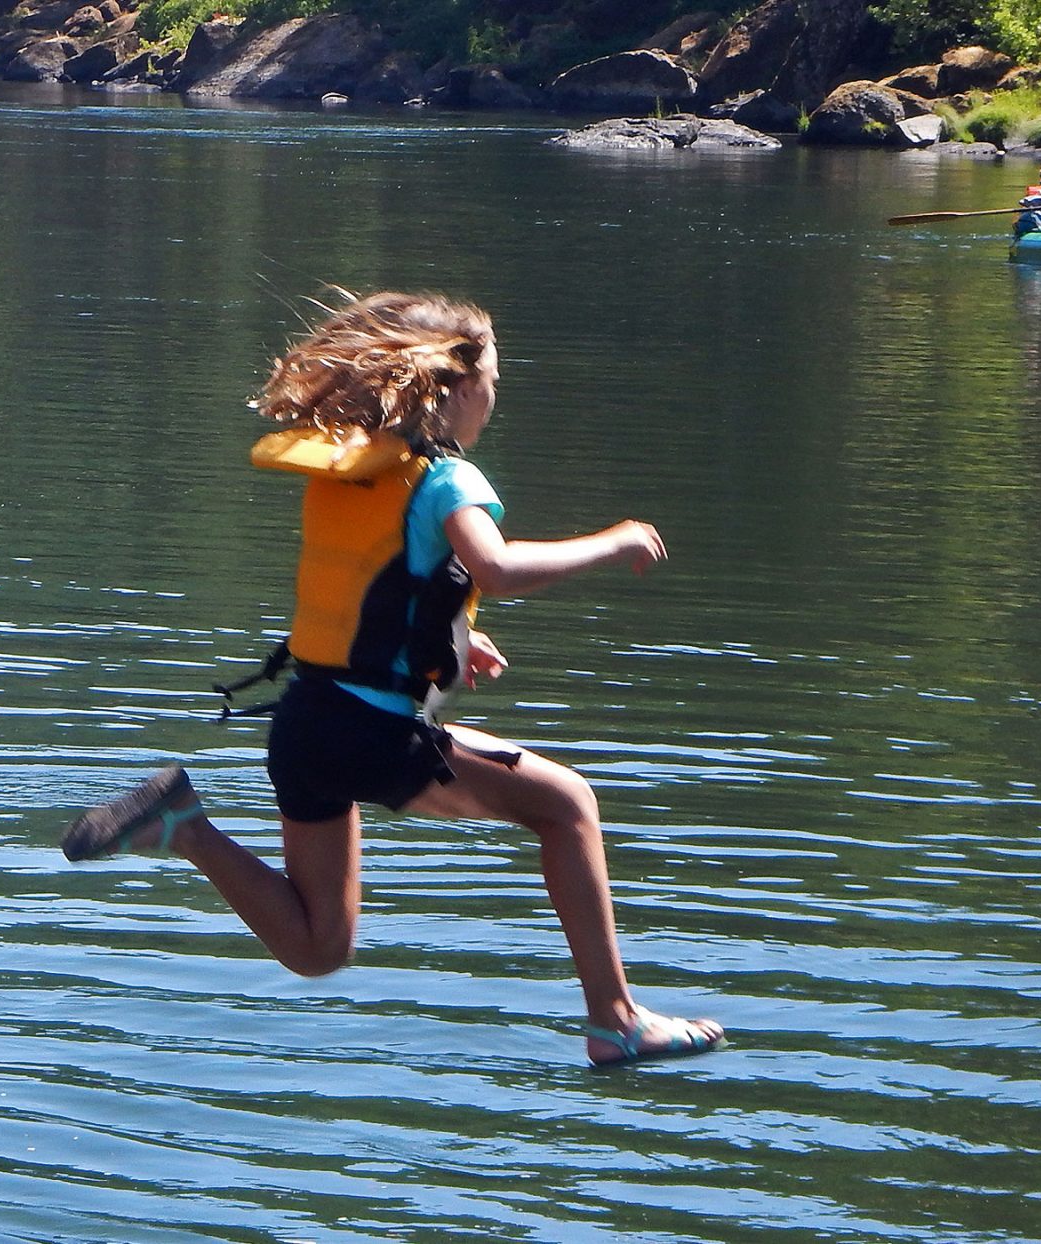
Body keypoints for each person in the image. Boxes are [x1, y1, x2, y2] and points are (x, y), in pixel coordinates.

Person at [60, 292, 725, 1068]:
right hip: (371, 732)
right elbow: (497, 568)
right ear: (454, 388)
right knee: (568, 803)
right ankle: (615, 1020)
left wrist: (457, 639)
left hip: (306, 721)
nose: (495, 402)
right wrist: (612, 541)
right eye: (494, 385)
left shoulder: (353, 475)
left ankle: (183, 826)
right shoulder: (446, 481)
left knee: (318, 947)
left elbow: (369, 598)